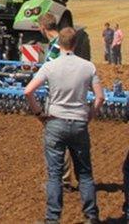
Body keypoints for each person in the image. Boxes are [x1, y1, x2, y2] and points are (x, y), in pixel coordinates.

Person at [24, 27, 104, 224]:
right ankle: (91, 217)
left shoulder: (50, 66)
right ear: (75, 44)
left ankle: (52, 219)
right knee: (84, 173)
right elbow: (100, 97)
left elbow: (28, 92)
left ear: (58, 44)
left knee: (54, 174)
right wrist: (89, 116)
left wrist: (39, 114)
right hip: (79, 123)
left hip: (54, 122)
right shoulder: (88, 67)